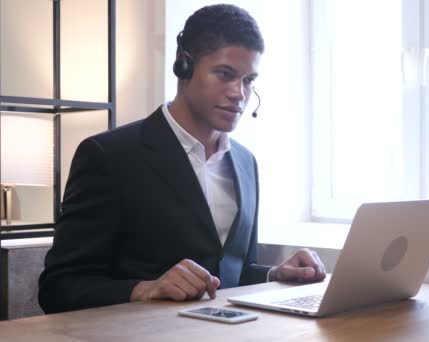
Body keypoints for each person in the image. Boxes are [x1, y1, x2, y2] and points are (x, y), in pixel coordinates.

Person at [38, 4, 326, 314]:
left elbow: (230, 274)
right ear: (183, 66)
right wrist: (144, 289)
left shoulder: (246, 163)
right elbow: (58, 287)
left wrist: (275, 275)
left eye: (248, 80)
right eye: (225, 74)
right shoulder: (108, 157)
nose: (239, 94)